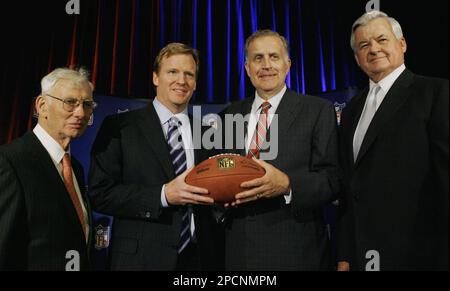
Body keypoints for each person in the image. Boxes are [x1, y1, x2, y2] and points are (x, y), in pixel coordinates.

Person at [88, 43, 221, 271]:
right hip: (140, 260)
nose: (182, 80)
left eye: (189, 74)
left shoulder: (210, 135)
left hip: (200, 261)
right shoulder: (120, 127)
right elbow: (101, 193)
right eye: (172, 72)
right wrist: (163, 195)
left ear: (195, 83)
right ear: (155, 77)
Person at [219, 30, 340, 271]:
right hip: (239, 254)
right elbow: (224, 168)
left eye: (274, 57)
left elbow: (332, 181)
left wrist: (287, 184)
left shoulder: (317, 111)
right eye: (258, 58)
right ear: (247, 68)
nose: (266, 65)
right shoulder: (228, 115)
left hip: (297, 253)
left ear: (288, 65)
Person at [337, 11, 449, 271]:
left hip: (420, 253)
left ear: (402, 44)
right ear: (356, 58)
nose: (374, 49)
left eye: (382, 40)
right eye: (364, 45)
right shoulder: (352, 109)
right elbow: (349, 188)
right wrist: (345, 254)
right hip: (364, 255)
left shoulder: (436, 93)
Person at [0, 68, 95, 270]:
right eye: (70, 102)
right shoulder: (9, 161)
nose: (81, 113)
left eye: (87, 105)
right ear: (42, 105)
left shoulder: (74, 167)